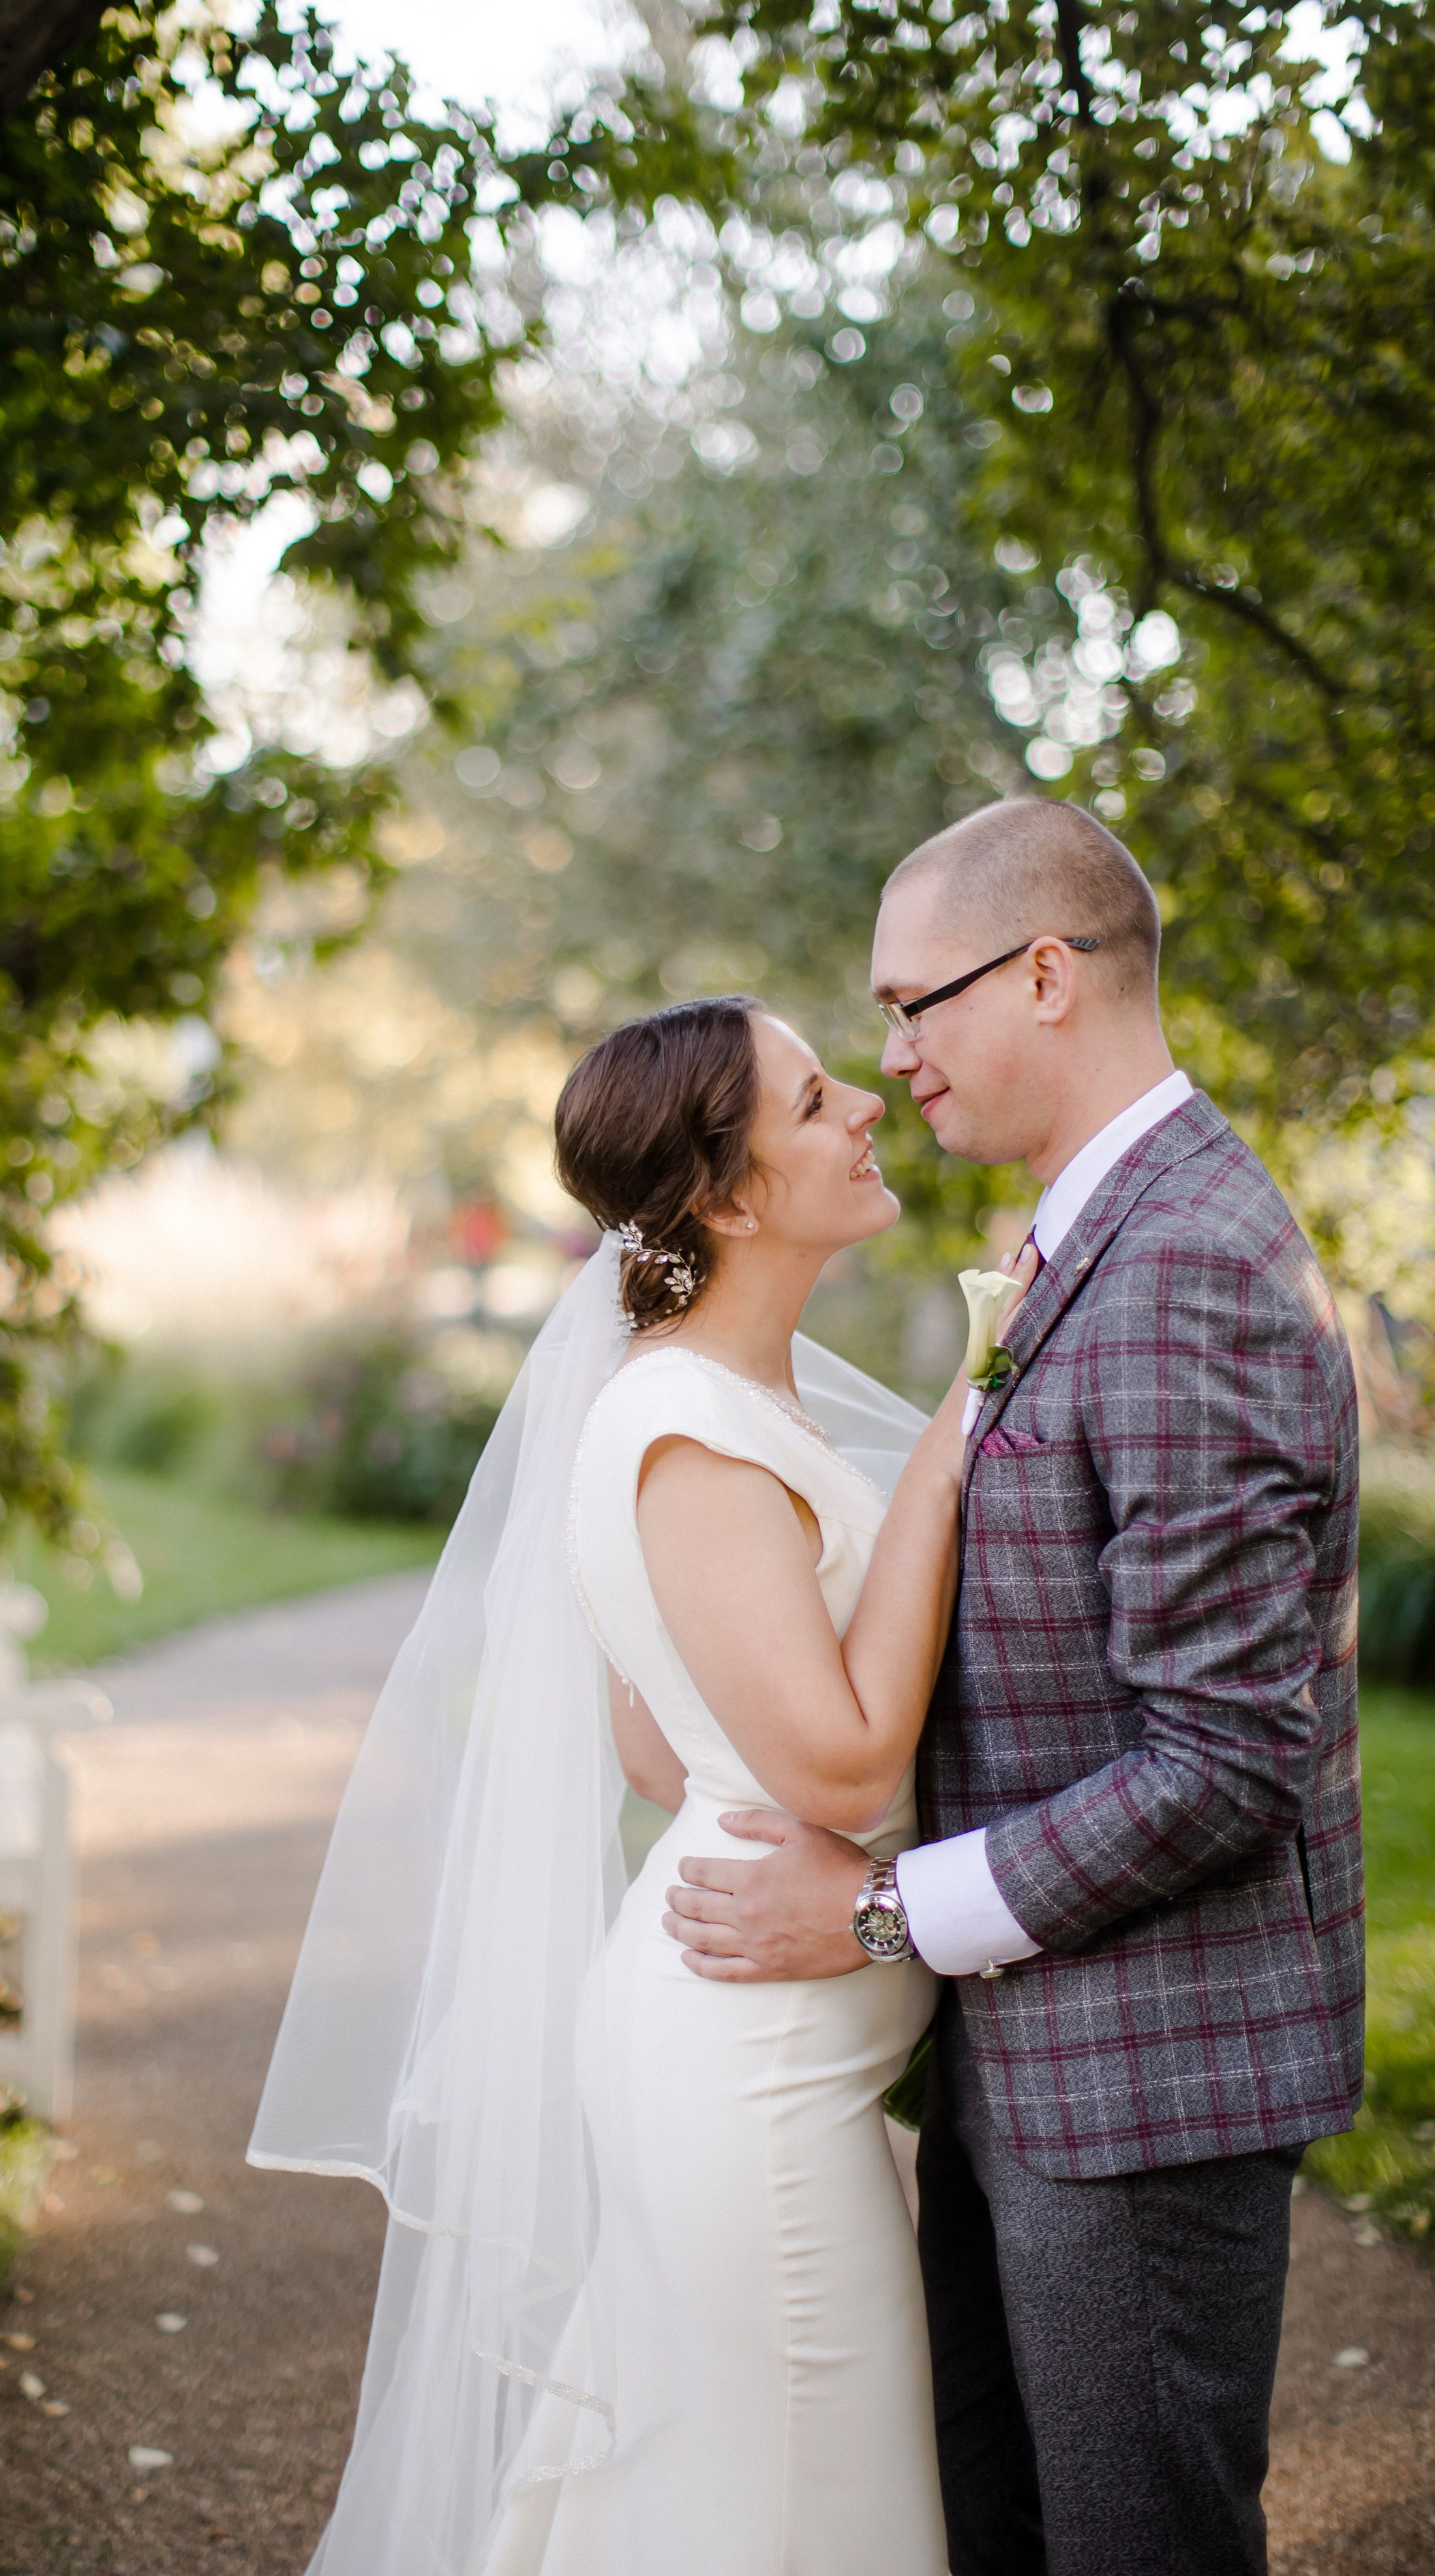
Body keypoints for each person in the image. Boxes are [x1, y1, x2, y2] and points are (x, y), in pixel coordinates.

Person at [662, 795, 1365, 2576]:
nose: (892, 1060)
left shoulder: (1193, 1265)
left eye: (917, 1005)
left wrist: (887, 1912)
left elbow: (1220, 1765)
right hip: (1026, 2067)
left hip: (1142, 2093)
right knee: (997, 2531)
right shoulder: (1091, 1239)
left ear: (1047, 975)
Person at [250, 989, 989, 2573]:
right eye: (811, 1101)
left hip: (753, 2051)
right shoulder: (689, 1435)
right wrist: (953, 1436)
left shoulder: (706, 1407)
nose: (863, 1104)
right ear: (723, 1195)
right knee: (805, 2514)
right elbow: (846, 1756)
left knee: (726, 2496)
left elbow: (660, 1745)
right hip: (749, 2076)